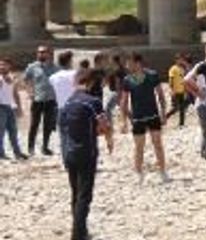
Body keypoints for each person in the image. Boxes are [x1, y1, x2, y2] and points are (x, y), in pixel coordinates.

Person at [58, 68, 111, 240]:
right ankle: (78, 234)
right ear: (92, 82)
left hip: (68, 153)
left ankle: (81, 230)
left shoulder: (68, 102)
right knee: (84, 196)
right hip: (86, 153)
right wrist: (104, 134)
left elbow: (63, 128)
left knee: (75, 193)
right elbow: (103, 127)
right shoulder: (93, 102)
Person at [120, 52, 169, 184]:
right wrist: (125, 120)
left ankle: (163, 171)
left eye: (129, 62)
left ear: (137, 63)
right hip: (138, 118)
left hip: (153, 115)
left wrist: (163, 113)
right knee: (139, 147)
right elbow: (123, 102)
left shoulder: (152, 75)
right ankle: (139, 173)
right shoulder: (127, 80)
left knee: (158, 144)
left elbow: (161, 95)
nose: (126, 65)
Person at [22, 45, 58, 155]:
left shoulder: (55, 68)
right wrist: (29, 92)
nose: (41, 54)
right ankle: (30, 147)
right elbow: (25, 80)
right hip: (37, 100)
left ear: (48, 54)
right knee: (34, 125)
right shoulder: (32, 67)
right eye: (39, 52)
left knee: (47, 125)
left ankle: (45, 147)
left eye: (43, 52)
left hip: (51, 100)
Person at [0, 58, 27, 160]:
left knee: (13, 132)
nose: (1, 67)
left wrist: (19, 107)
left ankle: (17, 153)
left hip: (10, 107)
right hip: (1, 107)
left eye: (4, 64)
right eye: (0, 65)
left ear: (9, 66)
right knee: (1, 132)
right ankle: (1, 154)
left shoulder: (12, 77)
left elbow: (15, 94)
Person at [165, 54, 190, 127]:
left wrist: (185, 90)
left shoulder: (183, 69)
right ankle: (165, 117)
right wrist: (172, 90)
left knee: (182, 108)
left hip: (182, 91)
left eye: (182, 59)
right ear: (176, 60)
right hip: (175, 91)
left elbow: (184, 79)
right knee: (174, 108)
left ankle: (181, 124)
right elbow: (171, 80)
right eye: (179, 59)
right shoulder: (173, 68)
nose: (181, 61)